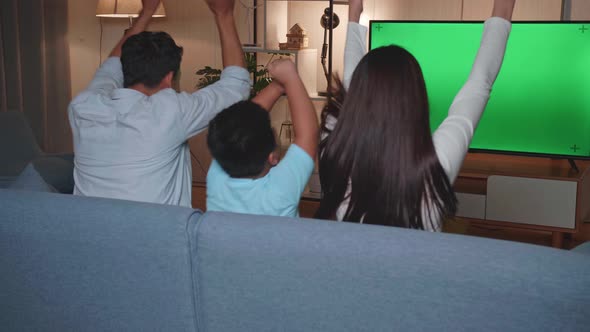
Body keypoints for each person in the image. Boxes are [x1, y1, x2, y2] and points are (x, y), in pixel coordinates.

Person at [316, 0, 516, 230]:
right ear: (417, 99)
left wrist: (354, 14)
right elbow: (480, 82)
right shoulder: (436, 165)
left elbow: (351, 85)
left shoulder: (335, 151)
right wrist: (503, 8)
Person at [68, 0, 250, 207]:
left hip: (84, 234)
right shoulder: (169, 112)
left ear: (126, 69)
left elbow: (110, 67)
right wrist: (224, 15)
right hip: (156, 236)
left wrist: (146, 13)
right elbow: (236, 85)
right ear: (169, 77)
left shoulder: (84, 106)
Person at [206, 59, 318, 217]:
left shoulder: (217, 177)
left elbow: (240, 124)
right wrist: (290, 76)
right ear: (272, 157)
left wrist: (279, 85)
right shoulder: (280, 190)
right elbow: (308, 134)